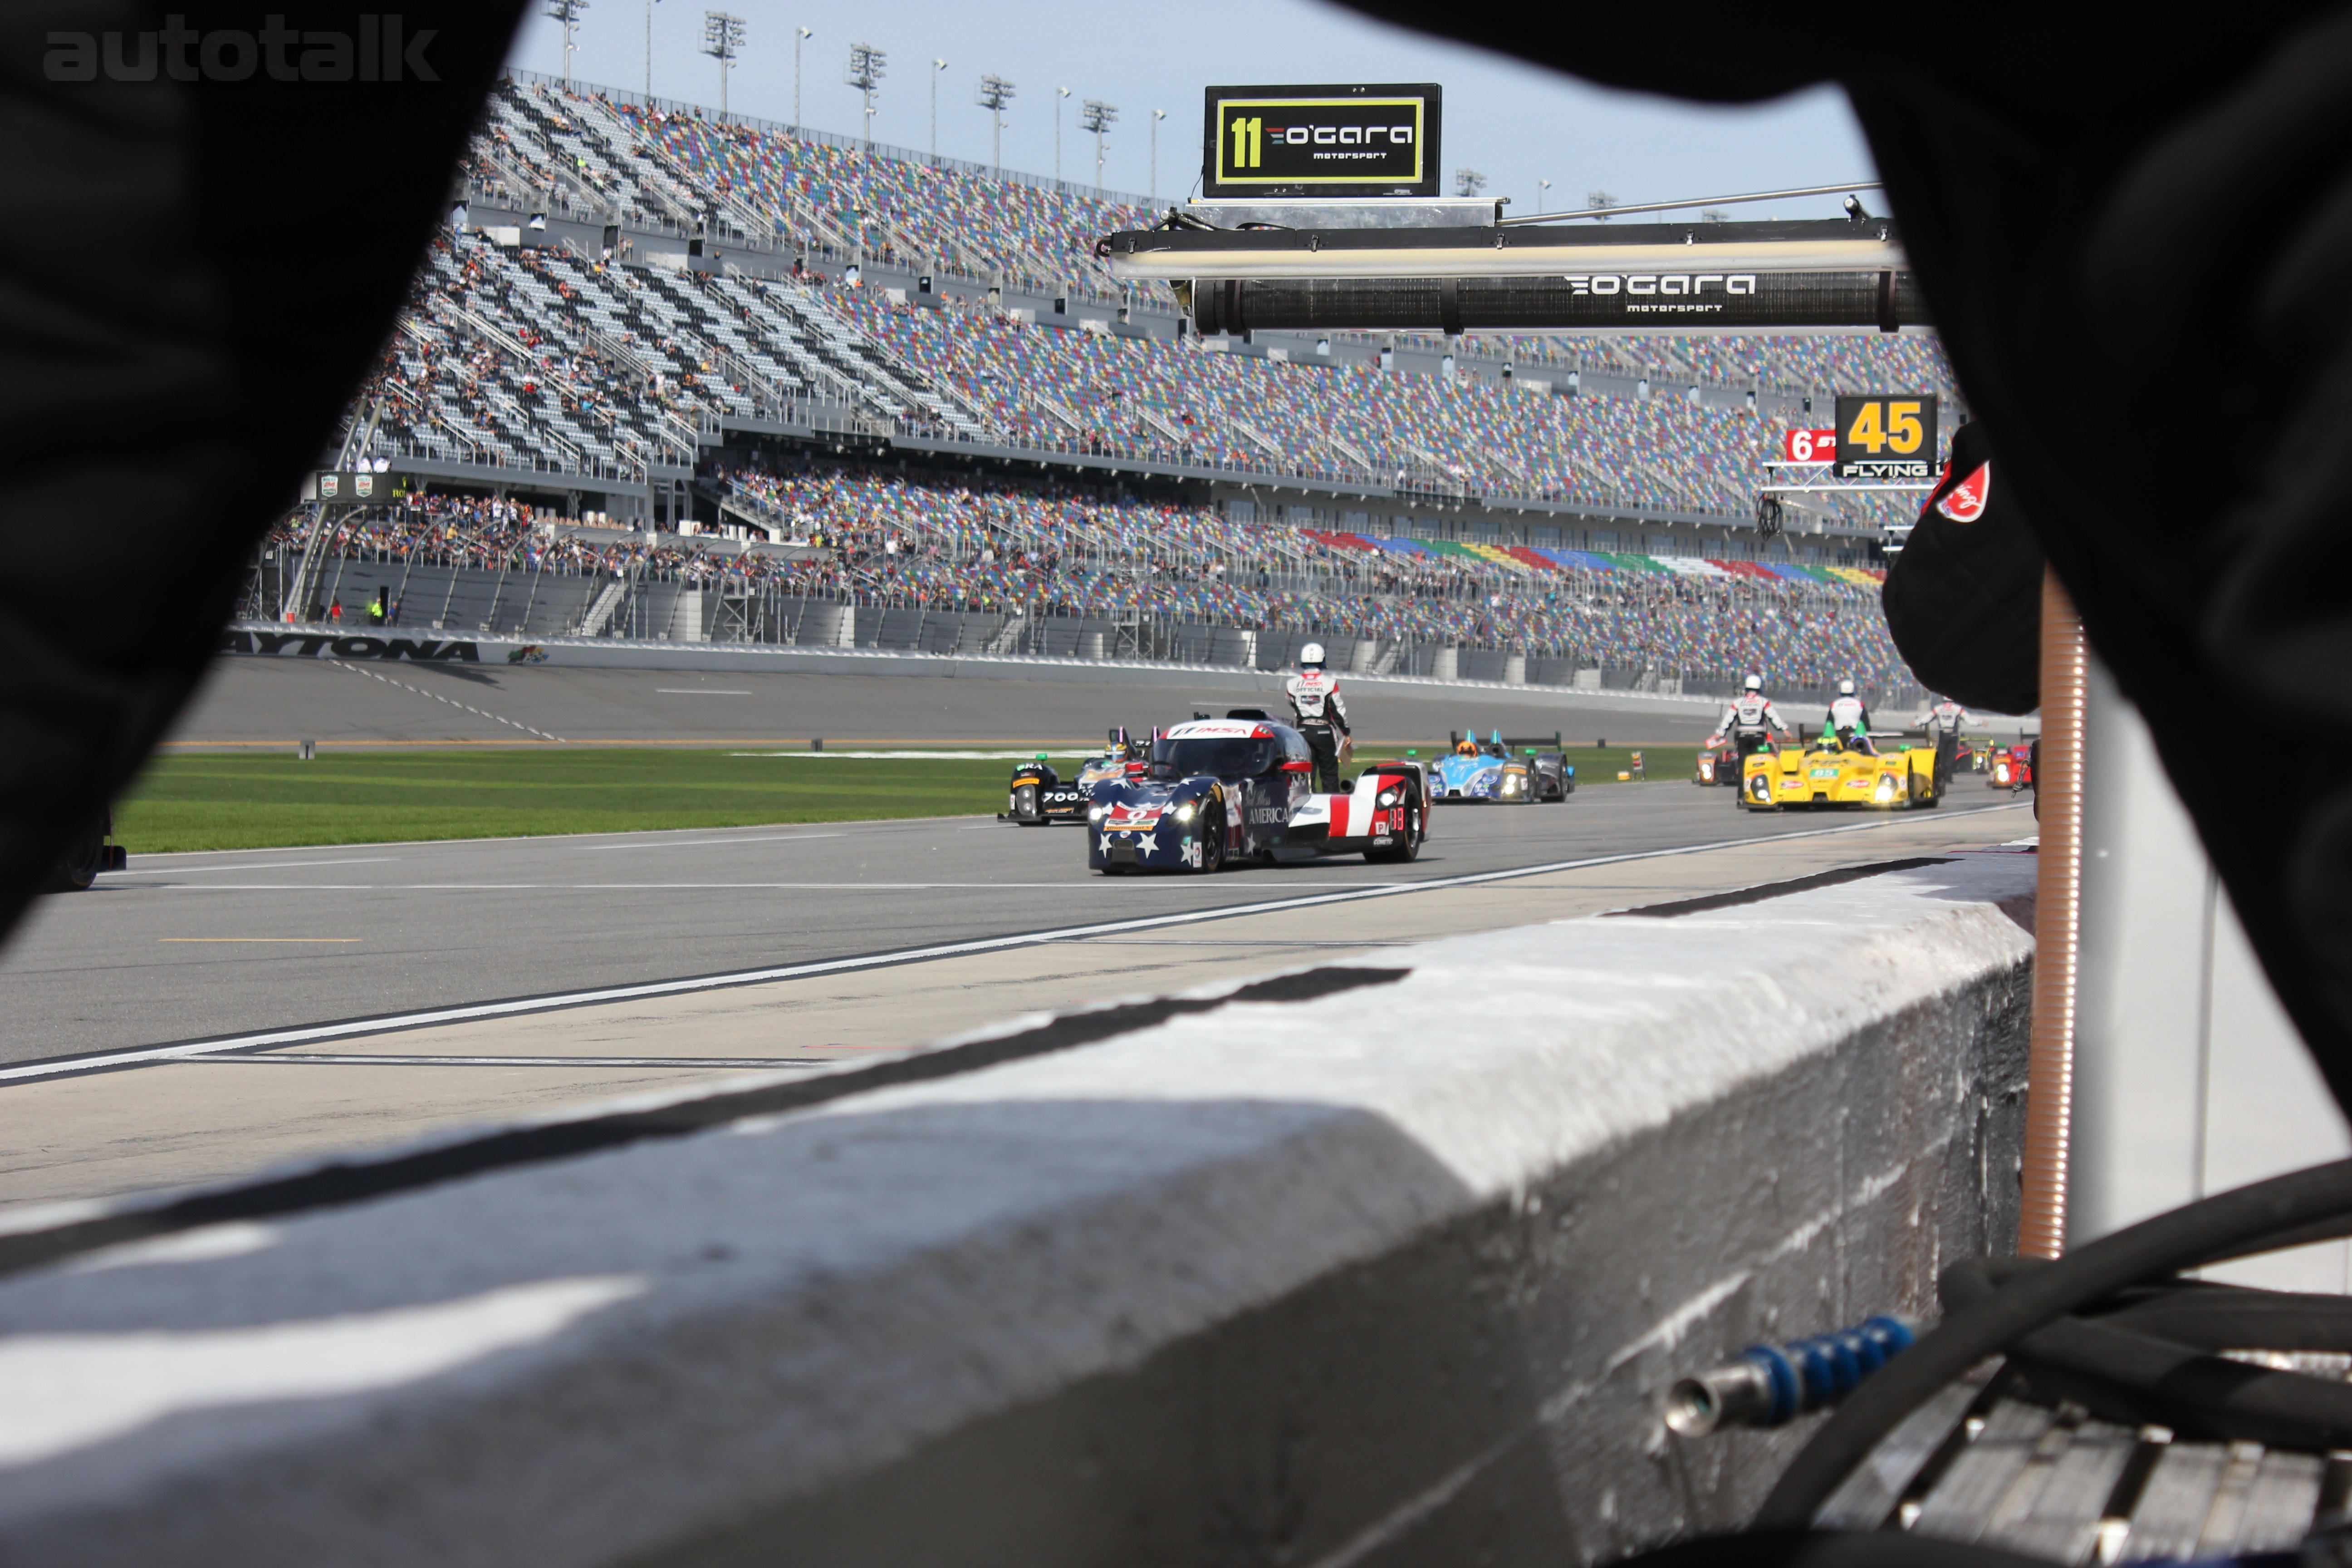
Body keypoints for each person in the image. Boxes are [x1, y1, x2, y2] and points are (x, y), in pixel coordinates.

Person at [1284, 642, 1352, 793]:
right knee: (1329, 775)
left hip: (1302, 732)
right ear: (1322, 660)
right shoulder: (1330, 683)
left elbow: (1291, 702)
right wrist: (1346, 733)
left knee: (1307, 775)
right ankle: (1332, 809)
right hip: (1325, 731)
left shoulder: (1292, 684)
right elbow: (1338, 710)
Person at [1706, 674, 1789, 780]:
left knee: (1742, 765)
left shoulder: (1738, 702)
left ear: (1746, 687)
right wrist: (1784, 729)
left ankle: (1741, 795)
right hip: (1758, 738)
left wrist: (1719, 734)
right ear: (1759, 688)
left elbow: (1728, 720)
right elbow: (1774, 717)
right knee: (1758, 764)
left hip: (1742, 738)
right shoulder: (1763, 702)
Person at [1923, 693, 1971, 797]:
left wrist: (1918, 722)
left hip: (1942, 735)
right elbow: (1968, 719)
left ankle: (1942, 776)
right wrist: (1980, 722)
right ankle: (1948, 777)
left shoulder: (1939, 708)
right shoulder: (1958, 709)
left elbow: (1928, 717)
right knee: (1951, 756)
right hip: (1953, 736)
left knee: (1942, 757)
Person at [1826, 679, 1871, 745]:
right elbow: (1865, 722)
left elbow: (1829, 723)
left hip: (1839, 735)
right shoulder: (1860, 704)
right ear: (1853, 692)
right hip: (1857, 735)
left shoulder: (1834, 704)